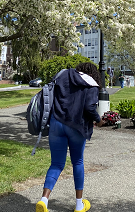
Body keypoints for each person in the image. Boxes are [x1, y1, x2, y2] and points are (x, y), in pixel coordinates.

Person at [36, 62, 104, 212]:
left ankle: (44, 200)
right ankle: (79, 205)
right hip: (76, 127)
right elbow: (89, 107)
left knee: (56, 164)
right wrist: (98, 120)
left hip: (56, 124)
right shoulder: (92, 85)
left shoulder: (62, 75)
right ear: (93, 74)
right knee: (77, 162)